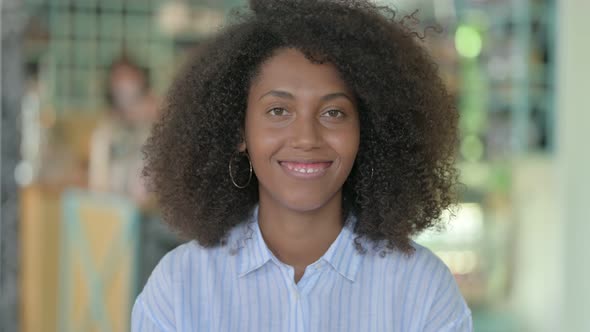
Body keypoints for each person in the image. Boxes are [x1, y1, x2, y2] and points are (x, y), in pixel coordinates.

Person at [132, 0, 472, 331]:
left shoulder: (424, 291)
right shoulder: (179, 288)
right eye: (278, 111)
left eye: (333, 112)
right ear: (239, 130)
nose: (306, 138)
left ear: (366, 131)